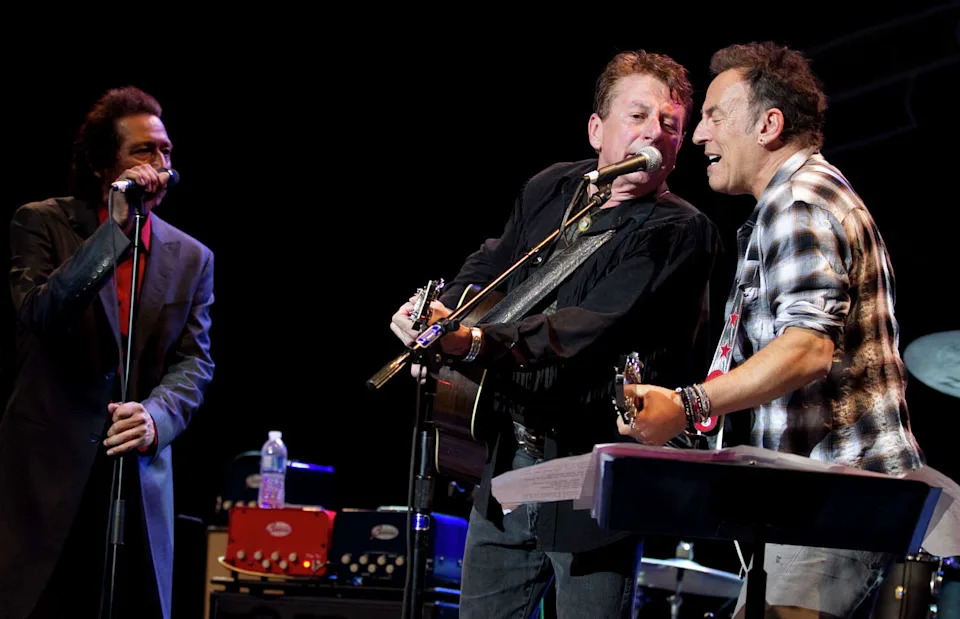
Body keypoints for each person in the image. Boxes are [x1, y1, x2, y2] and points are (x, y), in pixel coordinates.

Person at [391, 51, 719, 618]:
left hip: (593, 475)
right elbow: (496, 263)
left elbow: (586, 328)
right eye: (638, 116)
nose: (654, 134)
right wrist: (439, 309)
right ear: (597, 129)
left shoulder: (680, 230)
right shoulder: (553, 187)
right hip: (506, 463)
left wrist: (470, 343)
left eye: (670, 125)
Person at [618, 42, 924, 618]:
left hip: (839, 496)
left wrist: (688, 402)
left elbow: (807, 349)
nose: (700, 136)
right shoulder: (796, 200)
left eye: (713, 116)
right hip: (823, 502)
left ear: (768, 125)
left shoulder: (799, 201)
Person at [0, 86, 215, 619]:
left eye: (165, 151)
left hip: (135, 467)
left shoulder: (192, 257)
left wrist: (155, 416)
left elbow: (195, 360)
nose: (159, 164)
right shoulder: (43, 222)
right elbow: (41, 313)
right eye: (143, 151)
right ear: (103, 164)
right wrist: (113, 230)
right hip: (49, 473)